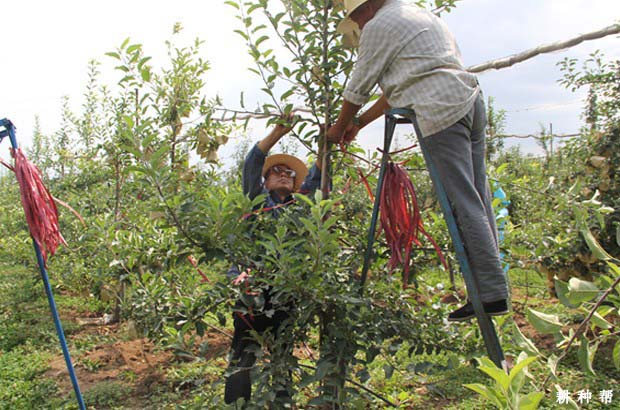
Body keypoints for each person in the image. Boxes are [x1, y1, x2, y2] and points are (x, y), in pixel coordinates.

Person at [326, 0, 509, 322]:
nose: (357, 24)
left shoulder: (379, 25)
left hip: (440, 109)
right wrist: (358, 126)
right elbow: (391, 94)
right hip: (467, 100)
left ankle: (490, 294)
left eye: (354, 17)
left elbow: (357, 87)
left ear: (364, 9)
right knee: (477, 196)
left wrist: (337, 130)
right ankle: (492, 289)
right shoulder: (412, 13)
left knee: (461, 202)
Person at [224, 117, 323, 405]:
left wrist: (328, 143)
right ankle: (236, 405)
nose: (284, 175)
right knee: (243, 355)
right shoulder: (256, 201)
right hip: (251, 290)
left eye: (290, 174)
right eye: (276, 171)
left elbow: (317, 176)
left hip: (285, 293)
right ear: (265, 182)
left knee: (282, 356)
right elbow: (252, 163)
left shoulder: (300, 208)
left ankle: (281, 403)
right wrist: (277, 132)